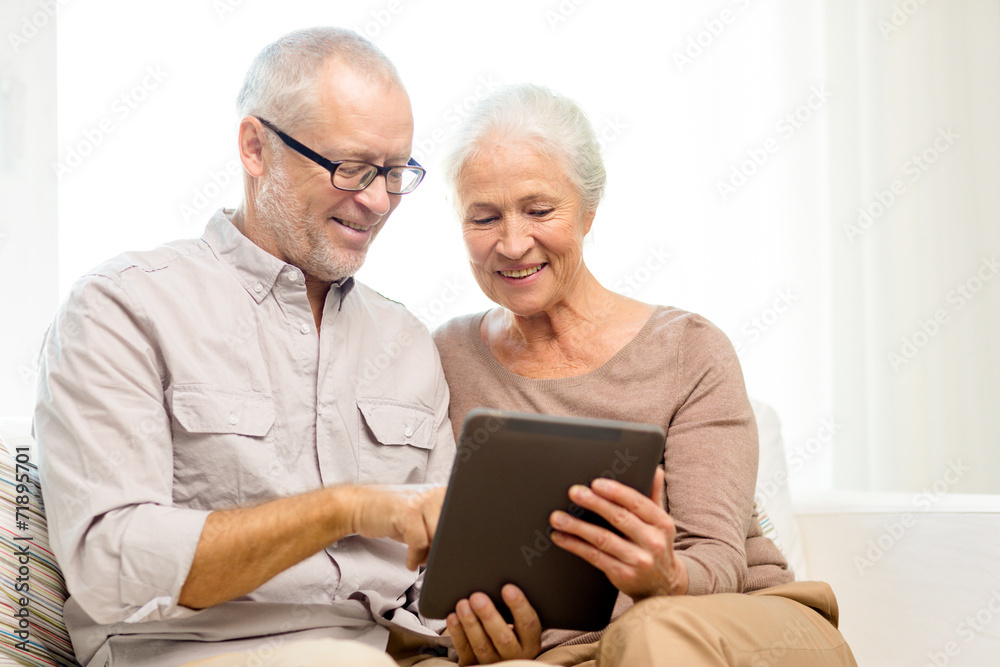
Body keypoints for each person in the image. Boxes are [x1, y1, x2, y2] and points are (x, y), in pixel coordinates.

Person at [34, 28, 457, 667]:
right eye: (351, 168)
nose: (376, 201)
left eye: (395, 173)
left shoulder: (406, 342)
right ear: (255, 148)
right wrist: (340, 508)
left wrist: (483, 623)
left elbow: (442, 571)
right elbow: (109, 564)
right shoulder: (122, 307)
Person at [431, 84, 858, 666]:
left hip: (738, 624)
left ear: (588, 210)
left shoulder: (688, 350)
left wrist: (665, 574)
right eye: (484, 217)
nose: (512, 242)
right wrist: (492, 640)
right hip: (576, 654)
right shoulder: (442, 359)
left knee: (652, 632)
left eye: (538, 210)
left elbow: (717, 559)